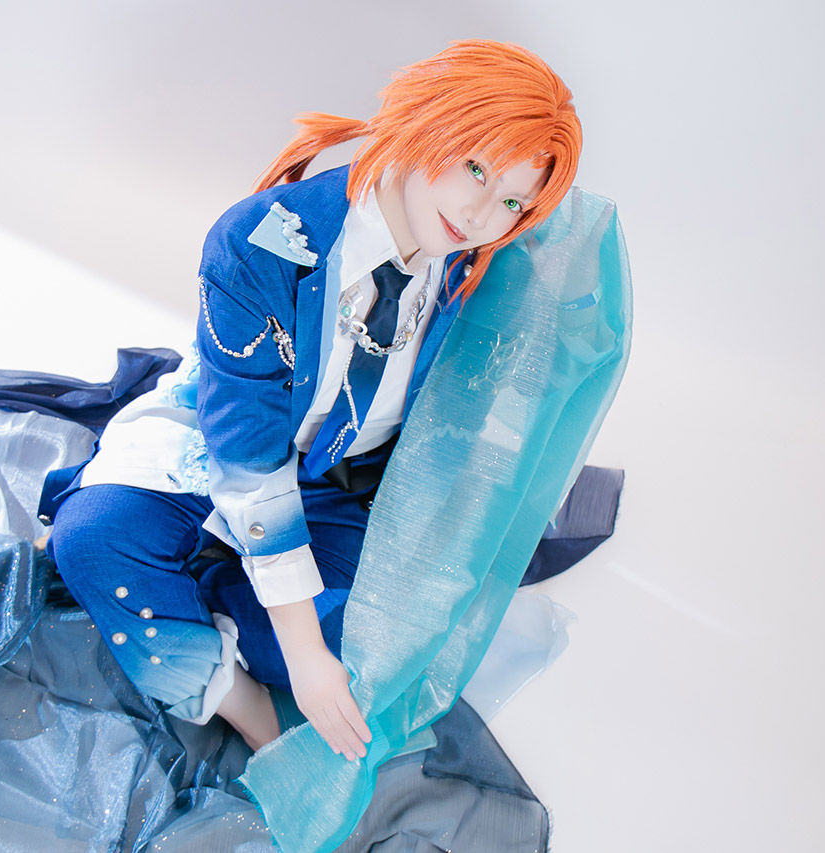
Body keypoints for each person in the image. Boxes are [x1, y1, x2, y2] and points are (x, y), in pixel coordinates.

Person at [39, 39, 583, 764]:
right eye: (476, 168)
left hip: (332, 478)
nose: (481, 212)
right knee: (93, 538)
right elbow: (245, 456)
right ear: (426, 121)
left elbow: (454, 412)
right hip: (209, 446)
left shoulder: (472, 270)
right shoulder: (260, 241)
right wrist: (298, 655)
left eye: (512, 201)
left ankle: (227, 588)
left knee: (377, 645)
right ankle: (241, 698)